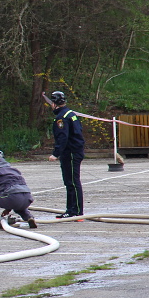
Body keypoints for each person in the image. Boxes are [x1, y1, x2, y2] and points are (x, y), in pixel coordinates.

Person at [46, 90, 86, 218]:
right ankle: (71, 210)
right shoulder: (70, 113)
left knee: (72, 182)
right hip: (75, 151)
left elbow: (63, 137)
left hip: (71, 153)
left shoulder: (62, 117)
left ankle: (76, 211)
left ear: (54, 104)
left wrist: (55, 153)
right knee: (70, 182)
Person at [0, 150, 37, 229]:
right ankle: (29, 217)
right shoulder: (14, 170)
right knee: (17, 201)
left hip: (14, 198)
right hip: (27, 198)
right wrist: (8, 208)